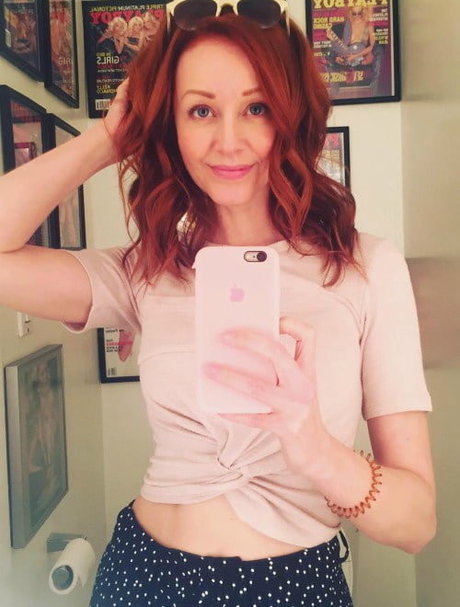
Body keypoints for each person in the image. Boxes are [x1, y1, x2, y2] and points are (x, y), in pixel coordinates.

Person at [0, 2, 436, 606]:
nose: (228, 141)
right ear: (170, 126)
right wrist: (108, 139)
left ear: (290, 116)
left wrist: (313, 446)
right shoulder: (148, 268)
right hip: (143, 576)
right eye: (200, 110)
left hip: (292, 587)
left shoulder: (366, 268)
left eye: (256, 108)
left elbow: (417, 525)